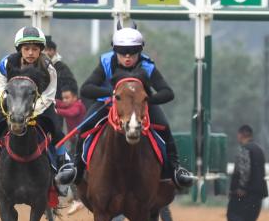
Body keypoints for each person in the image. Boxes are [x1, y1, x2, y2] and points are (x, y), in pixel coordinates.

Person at [71, 25, 195, 188]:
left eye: (133, 52)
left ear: (140, 51)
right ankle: (77, 169)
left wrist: (145, 100)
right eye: (123, 52)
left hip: (141, 105)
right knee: (85, 127)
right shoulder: (106, 61)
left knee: (165, 127)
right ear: (115, 50)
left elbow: (167, 92)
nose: (127, 56)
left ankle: (175, 169)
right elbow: (86, 88)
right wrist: (113, 95)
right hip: (110, 103)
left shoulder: (147, 65)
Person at [0, 26, 75, 193]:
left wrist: (30, 111)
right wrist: (12, 106)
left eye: (35, 49)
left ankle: (63, 166)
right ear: (20, 49)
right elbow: (2, 88)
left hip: (41, 106)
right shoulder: (6, 63)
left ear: (40, 50)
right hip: (12, 104)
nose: (30, 53)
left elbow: (49, 95)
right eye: (27, 48)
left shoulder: (49, 67)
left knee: (56, 130)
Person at [228, 125, 267, 221]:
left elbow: (245, 170)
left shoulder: (245, 149)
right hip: (258, 192)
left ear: (241, 135)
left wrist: (241, 187)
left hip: (245, 192)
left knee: (232, 214)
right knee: (249, 220)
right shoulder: (259, 150)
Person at [44, 35, 77, 100]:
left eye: (49, 50)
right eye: (45, 50)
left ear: (55, 51)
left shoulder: (61, 67)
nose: (47, 53)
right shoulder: (38, 66)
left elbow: (69, 84)